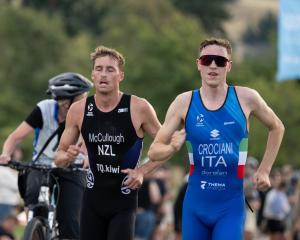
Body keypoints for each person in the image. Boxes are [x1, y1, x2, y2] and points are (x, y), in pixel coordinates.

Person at [148, 38, 285, 240]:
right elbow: (154, 151)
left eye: (220, 61)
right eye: (207, 60)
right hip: (195, 205)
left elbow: (277, 127)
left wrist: (264, 170)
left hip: (230, 205)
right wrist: (172, 148)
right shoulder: (184, 102)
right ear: (199, 64)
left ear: (228, 66)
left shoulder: (246, 98)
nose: (213, 65)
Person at [54, 46, 162, 240]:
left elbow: (167, 145)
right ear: (93, 75)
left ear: (121, 75)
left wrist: (142, 171)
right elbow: (59, 157)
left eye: (110, 69)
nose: (104, 74)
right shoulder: (78, 110)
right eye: (99, 69)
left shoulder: (138, 107)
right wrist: (66, 157)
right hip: (91, 202)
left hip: (123, 203)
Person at [0, 72, 93, 239]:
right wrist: (5, 154)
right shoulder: (44, 109)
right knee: (32, 195)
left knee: (70, 222)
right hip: (41, 164)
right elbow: (15, 137)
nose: (85, 100)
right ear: (67, 101)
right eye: (82, 97)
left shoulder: (88, 113)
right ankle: (34, 226)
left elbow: (89, 143)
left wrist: (88, 158)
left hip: (73, 166)